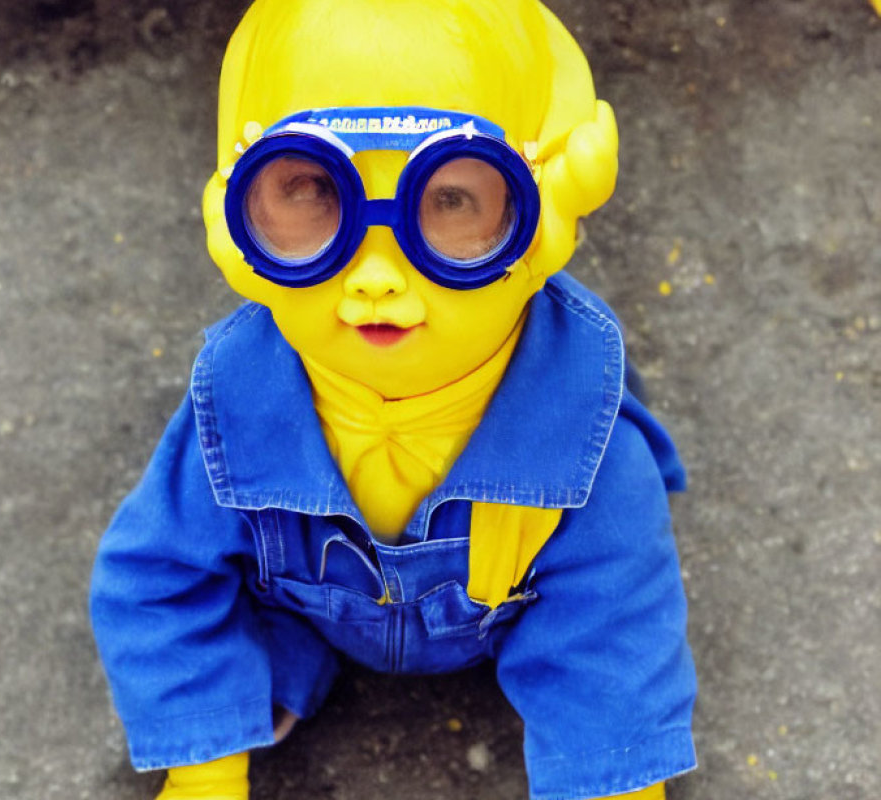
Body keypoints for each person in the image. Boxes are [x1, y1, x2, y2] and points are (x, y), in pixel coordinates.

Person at [90, 1, 697, 798]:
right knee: (224, 623)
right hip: (309, 610)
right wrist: (206, 773)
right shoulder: (234, 406)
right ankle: (254, 682)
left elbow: (616, 629)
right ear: (235, 224)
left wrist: (617, 779)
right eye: (312, 189)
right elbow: (158, 578)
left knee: (584, 626)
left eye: (449, 200)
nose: (376, 274)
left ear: (545, 220)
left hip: (510, 613)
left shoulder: (582, 440)